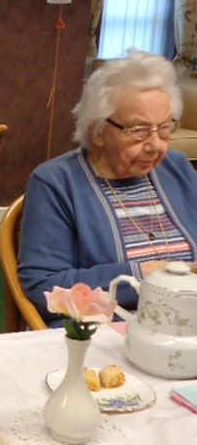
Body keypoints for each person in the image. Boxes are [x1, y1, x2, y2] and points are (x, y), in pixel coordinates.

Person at [19, 50, 197, 323]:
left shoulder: (176, 167)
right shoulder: (56, 182)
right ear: (98, 130)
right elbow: (44, 285)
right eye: (139, 130)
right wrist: (145, 275)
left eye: (164, 128)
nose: (155, 145)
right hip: (110, 332)